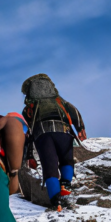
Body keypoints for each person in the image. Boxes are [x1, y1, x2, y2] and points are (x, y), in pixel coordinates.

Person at [20, 74, 86, 210]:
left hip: (42, 135)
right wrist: (80, 128)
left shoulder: (29, 108)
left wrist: (29, 154)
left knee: (49, 168)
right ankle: (66, 183)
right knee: (66, 160)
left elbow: (27, 132)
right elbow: (74, 113)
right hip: (63, 131)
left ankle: (56, 201)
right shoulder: (59, 101)